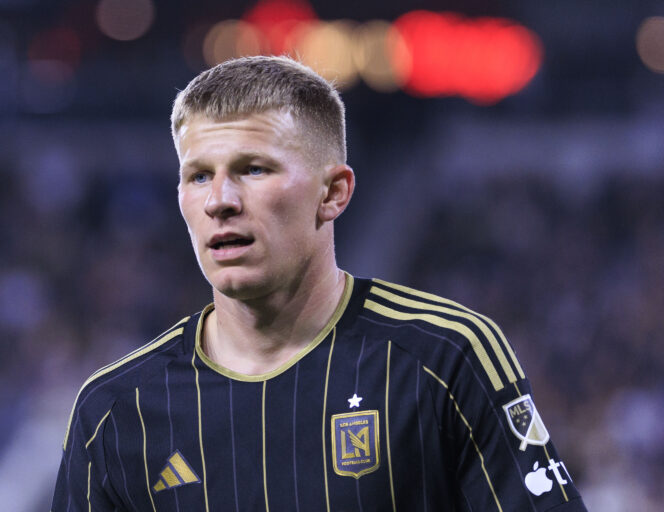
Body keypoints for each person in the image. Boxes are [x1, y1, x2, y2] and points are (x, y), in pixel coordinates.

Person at [52, 55, 586, 511]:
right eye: (198, 176)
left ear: (333, 193)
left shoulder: (445, 358)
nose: (220, 200)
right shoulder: (116, 410)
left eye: (254, 169)